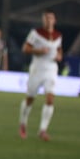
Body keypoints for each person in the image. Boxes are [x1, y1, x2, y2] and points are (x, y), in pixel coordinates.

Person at [19, 10, 61, 141]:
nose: (49, 20)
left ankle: (43, 130)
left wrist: (59, 56)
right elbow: (25, 48)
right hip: (37, 68)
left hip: (51, 69)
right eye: (46, 18)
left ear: (54, 20)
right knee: (30, 98)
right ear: (43, 20)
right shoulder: (36, 33)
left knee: (50, 99)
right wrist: (38, 50)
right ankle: (23, 123)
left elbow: (59, 51)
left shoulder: (58, 35)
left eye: (51, 18)